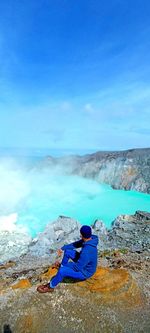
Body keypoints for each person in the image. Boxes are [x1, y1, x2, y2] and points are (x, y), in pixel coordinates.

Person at [37, 225, 98, 293]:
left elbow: (77, 268)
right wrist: (62, 248)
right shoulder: (90, 240)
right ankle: (62, 268)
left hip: (85, 272)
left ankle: (50, 287)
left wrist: (65, 267)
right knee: (68, 251)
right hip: (84, 263)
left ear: (81, 234)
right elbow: (76, 244)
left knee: (62, 271)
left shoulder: (87, 251)